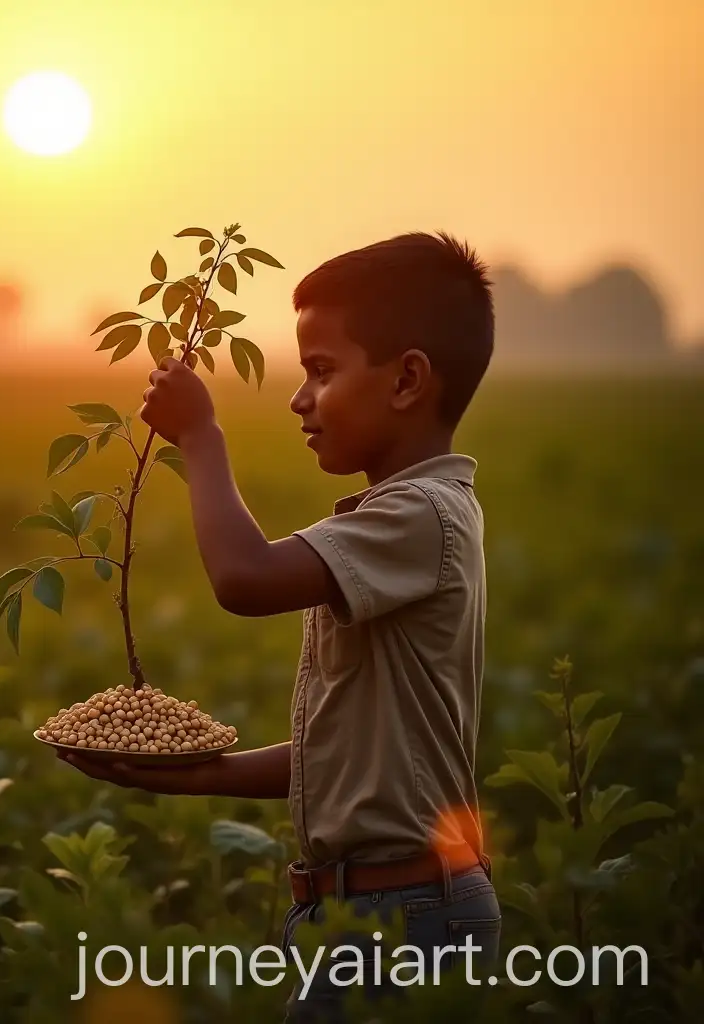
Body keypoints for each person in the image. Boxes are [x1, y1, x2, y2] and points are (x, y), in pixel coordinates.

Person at [59, 231, 500, 1021]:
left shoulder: (420, 516)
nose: (300, 398)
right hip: (370, 910)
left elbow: (246, 579)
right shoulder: (408, 516)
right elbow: (349, 752)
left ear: (407, 380)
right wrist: (207, 774)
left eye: (321, 372)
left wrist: (201, 437)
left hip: (401, 918)